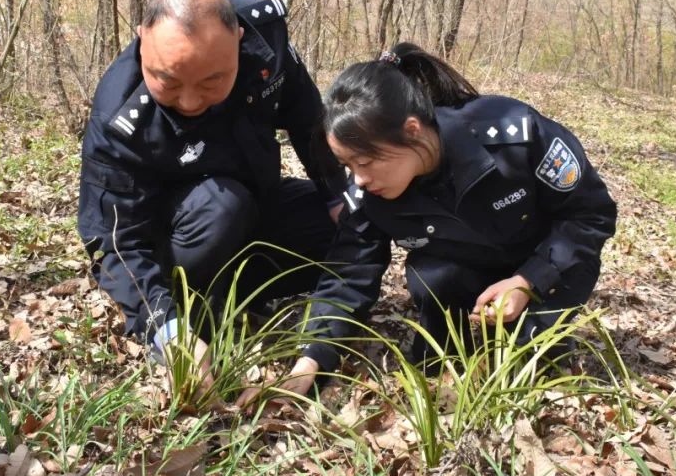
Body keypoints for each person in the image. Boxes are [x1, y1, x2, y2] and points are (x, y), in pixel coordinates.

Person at [254, 42, 617, 401]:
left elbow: (590, 213)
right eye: (348, 166)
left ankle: (532, 329)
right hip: (467, 272)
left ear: (412, 130)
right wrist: (311, 359)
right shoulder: (370, 193)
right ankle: (451, 344)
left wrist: (528, 280)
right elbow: (349, 272)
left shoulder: (511, 135)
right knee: (431, 284)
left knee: (531, 372)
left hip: (548, 268)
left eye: (364, 162)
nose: (359, 179)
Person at [77, 0, 345, 390]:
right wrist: (167, 329)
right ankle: (193, 311)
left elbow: (308, 120)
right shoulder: (119, 116)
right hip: (182, 240)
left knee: (349, 223)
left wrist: (334, 194)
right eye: (168, 81)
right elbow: (114, 241)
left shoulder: (264, 39)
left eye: (211, 83)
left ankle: (237, 297)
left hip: (256, 205)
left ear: (238, 41)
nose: (189, 101)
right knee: (222, 207)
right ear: (141, 39)